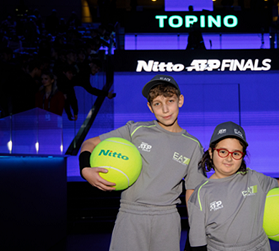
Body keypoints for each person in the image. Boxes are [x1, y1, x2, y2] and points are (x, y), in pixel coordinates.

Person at [78, 75, 207, 250]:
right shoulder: (135, 130)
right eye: (157, 104)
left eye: (170, 100)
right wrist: (85, 169)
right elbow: (90, 143)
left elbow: (192, 193)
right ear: (150, 107)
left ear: (180, 100)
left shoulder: (193, 145)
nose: (165, 109)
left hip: (167, 218)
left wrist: (197, 235)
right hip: (130, 214)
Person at [187, 121, 279, 250]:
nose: (229, 158)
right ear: (211, 152)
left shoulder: (255, 179)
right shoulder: (200, 194)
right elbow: (197, 243)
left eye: (236, 153)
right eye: (223, 151)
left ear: (242, 156)